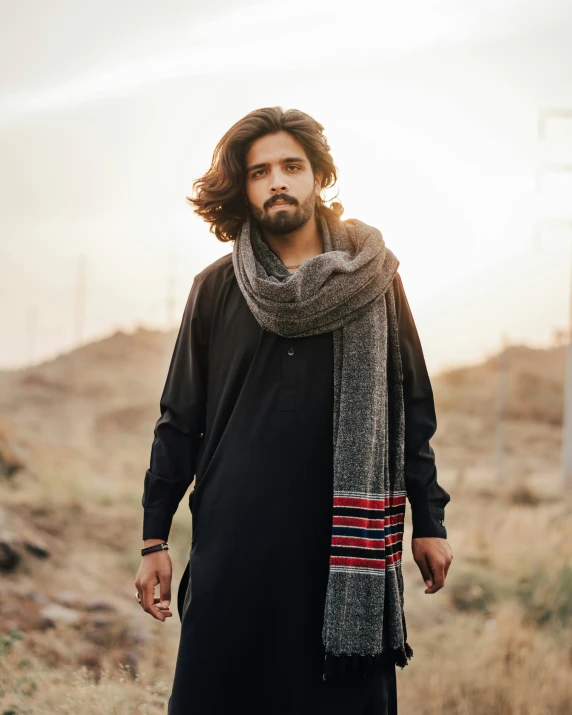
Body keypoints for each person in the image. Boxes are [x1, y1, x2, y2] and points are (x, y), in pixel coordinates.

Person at [134, 107, 453, 715]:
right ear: (244, 188)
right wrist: (155, 536)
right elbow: (179, 417)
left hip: (343, 541)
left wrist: (430, 520)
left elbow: (413, 406)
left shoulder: (375, 280)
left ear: (318, 176)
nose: (277, 181)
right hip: (236, 540)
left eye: (291, 166)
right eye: (259, 172)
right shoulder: (216, 287)